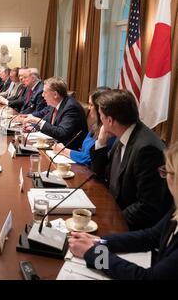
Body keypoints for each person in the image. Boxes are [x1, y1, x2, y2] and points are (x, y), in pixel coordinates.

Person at [68, 142, 178, 280]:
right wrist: (100, 241)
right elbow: (151, 236)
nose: (166, 178)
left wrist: (93, 253)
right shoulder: (176, 209)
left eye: (166, 171)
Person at [91, 89, 172, 230]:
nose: (100, 121)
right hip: (113, 211)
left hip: (133, 229)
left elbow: (147, 207)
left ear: (109, 120)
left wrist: (109, 221)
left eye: (101, 116)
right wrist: (101, 143)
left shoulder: (146, 149)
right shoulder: (123, 135)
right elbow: (101, 174)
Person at [52, 88, 114, 166]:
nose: (88, 108)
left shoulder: (108, 131)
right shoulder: (95, 126)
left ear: (99, 108)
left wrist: (64, 151)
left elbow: (89, 159)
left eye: (91, 105)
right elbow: (83, 151)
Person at [22, 77, 87, 150]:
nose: (42, 95)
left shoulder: (71, 107)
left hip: (67, 150)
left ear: (55, 94)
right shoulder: (54, 104)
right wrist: (33, 127)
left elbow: (61, 133)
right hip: (54, 145)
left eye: (45, 92)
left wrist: (37, 121)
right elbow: (46, 121)